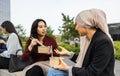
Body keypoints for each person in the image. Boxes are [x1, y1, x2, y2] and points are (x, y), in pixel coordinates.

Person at [47, 8, 115, 76]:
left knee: (53, 72)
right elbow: (84, 60)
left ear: (85, 24)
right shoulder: (89, 39)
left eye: (77, 24)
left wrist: (68, 68)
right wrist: (68, 53)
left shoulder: (103, 42)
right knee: (52, 71)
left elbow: (92, 72)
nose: (76, 28)